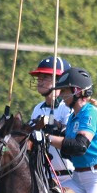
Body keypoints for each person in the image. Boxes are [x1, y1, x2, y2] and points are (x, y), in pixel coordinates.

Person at [28, 56, 74, 184]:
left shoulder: (67, 108)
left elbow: (71, 139)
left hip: (69, 176)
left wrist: (56, 127)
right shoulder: (38, 108)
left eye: (45, 77)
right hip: (44, 175)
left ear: (60, 81)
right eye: (39, 77)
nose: (39, 81)